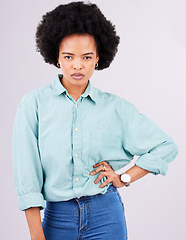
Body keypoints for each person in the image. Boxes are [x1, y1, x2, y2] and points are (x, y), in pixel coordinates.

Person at [12, 1, 178, 240]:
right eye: (68, 56)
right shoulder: (33, 105)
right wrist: (37, 235)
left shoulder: (115, 108)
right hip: (58, 218)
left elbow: (166, 146)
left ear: (98, 58)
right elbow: (28, 175)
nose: (77, 65)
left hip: (107, 216)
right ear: (57, 57)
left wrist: (124, 177)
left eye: (87, 57)